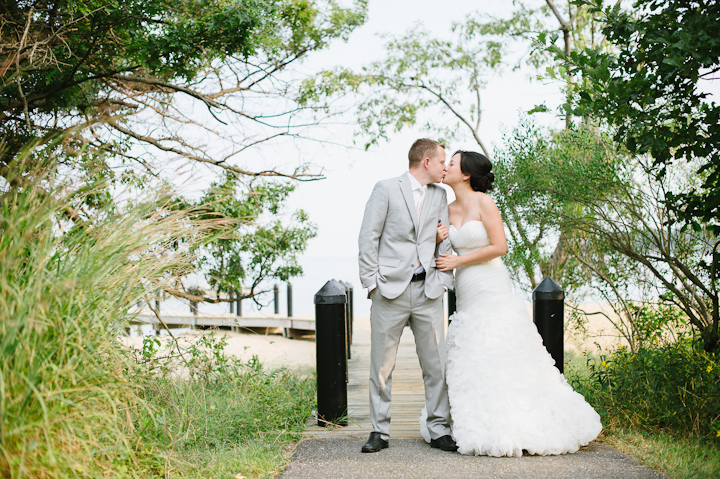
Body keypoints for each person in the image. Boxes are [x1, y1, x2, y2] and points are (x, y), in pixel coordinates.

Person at [425, 150, 602, 457]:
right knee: (473, 348)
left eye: (451, 163)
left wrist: (459, 259)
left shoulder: (485, 202)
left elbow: (499, 247)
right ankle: (476, 416)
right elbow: (441, 251)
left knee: (499, 343)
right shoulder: (447, 206)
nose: (446, 167)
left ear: (465, 173)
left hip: (490, 284)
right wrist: (440, 237)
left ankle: (520, 417)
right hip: (466, 287)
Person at [358, 138, 457, 453]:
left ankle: (439, 428)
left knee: (436, 364)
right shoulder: (386, 189)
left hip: (428, 291)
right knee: (382, 366)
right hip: (389, 291)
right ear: (427, 161)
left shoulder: (440, 195)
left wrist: (443, 280)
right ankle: (379, 431)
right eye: (442, 161)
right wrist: (371, 283)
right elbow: (368, 237)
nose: (445, 167)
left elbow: (445, 241)